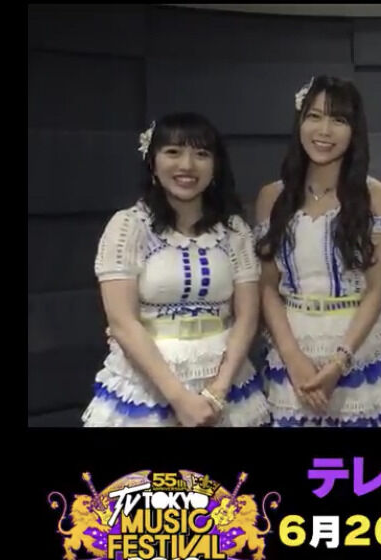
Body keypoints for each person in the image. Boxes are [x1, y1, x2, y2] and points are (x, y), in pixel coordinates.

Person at [82, 112, 270, 427]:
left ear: (215, 165)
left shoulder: (235, 230)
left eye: (201, 154)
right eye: (173, 152)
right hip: (148, 385)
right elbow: (122, 323)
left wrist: (216, 393)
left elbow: (248, 317)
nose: (187, 165)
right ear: (152, 162)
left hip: (226, 385)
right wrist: (180, 399)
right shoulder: (128, 226)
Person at [255, 75, 381, 427]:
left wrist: (341, 361)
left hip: (358, 348)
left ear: (354, 130)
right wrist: (293, 358)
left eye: (338, 119)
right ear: (300, 122)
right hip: (292, 349)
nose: (324, 130)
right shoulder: (272, 197)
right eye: (314, 116)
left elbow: (378, 288)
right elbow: (267, 287)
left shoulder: (377, 196)